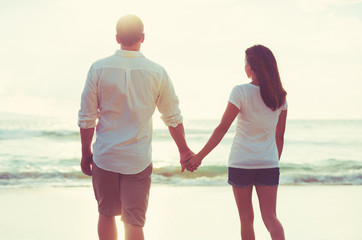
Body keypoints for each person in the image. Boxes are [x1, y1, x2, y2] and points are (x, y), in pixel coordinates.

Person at [78, 14, 193, 240]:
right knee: (134, 222)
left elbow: (86, 117)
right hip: (138, 158)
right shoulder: (157, 72)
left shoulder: (98, 68)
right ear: (143, 37)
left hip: (105, 157)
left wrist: (85, 153)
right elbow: (172, 116)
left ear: (117, 37)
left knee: (106, 214)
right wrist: (184, 150)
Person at [188, 45, 287, 240]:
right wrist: (273, 161)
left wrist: (199, 157)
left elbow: (222, 128)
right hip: (268, 164)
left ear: (251, 67)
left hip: (241, 163)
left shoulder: (240, 91)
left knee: (245, 218)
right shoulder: (280, 97)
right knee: (271, 217)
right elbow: (280, 136)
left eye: (245, 62)